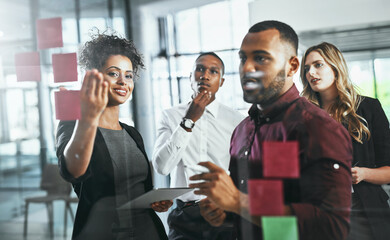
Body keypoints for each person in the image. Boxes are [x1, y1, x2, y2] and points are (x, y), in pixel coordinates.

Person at [189, 21, 353, 240]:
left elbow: (331, 227)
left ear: (292, 67)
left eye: (261, 58)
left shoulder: (318, 128)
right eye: (243, 58)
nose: (247, 68)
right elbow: (252, 207)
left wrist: (238, 202)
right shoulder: (241, 131)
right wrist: (224, 211)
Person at [56, 32, 171, 240]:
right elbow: (72, 171)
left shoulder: (132, 134)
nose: (123, 82)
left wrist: (153, 200)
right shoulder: (74, 125)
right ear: (93, 76)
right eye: (113, 73)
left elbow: (138, 189)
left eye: (128, 75)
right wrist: (88, 117)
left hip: (148, 232)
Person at [300, 42, 390, 240]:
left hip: (364, 211)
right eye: (306, 69)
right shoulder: (302, 116)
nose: (311, 73)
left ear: (335, 66)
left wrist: (364, 174)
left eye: (318, 65)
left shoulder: (369, 108)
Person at [152, 52, 244, 239]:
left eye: (213, 71)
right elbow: (162, 167)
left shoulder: (237, 121)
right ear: (190, 77)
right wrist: (188, 121)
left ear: (222, 81)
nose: (205, 75)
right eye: (200, 69)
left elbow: (242, 173)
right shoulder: (170, 116)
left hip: (223, 215)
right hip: (184, 218)